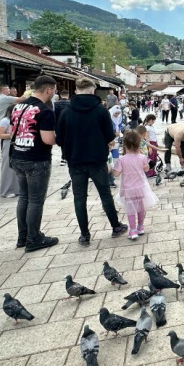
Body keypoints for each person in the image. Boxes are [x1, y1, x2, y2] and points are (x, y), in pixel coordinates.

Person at [55, 78, 128, 246]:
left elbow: (59, 139)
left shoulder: (66, 112)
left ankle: (84, 234)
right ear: (92, 91)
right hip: (96, 159)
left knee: (79, 197)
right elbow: (110, 135)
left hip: (75, 160)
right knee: (104, 194)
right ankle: (115, 227)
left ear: (76, 91)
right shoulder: (100, 110)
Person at [9, 75, 59, 253]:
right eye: (53, 90)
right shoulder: (44, 111)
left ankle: (22, 236)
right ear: (48, 90)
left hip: (17, 155)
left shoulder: (18, 106)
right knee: (36, 200)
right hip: (36, 159)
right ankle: (34, 238)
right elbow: (47, 139)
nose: (53, 94)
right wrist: (59, 137)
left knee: (24, 197)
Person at [111, 130, 153, 240]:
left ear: (125, 145)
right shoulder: (142, 157)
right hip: (140, 187)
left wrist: (111, 168)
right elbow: (147, 169)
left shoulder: (122, 160)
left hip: (128, 189)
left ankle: (133, 230)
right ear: (138, 144)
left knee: (130, 210)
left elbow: (116, 174)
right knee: (141, 208)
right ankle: (141, 227)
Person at [0, 107, 19, 198]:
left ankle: (16, 189)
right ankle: (6, 190)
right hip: (8, 144)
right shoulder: (5, 121)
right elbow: (0, 135)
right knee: (7, 168)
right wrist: (12, 135)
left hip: (17, 145)